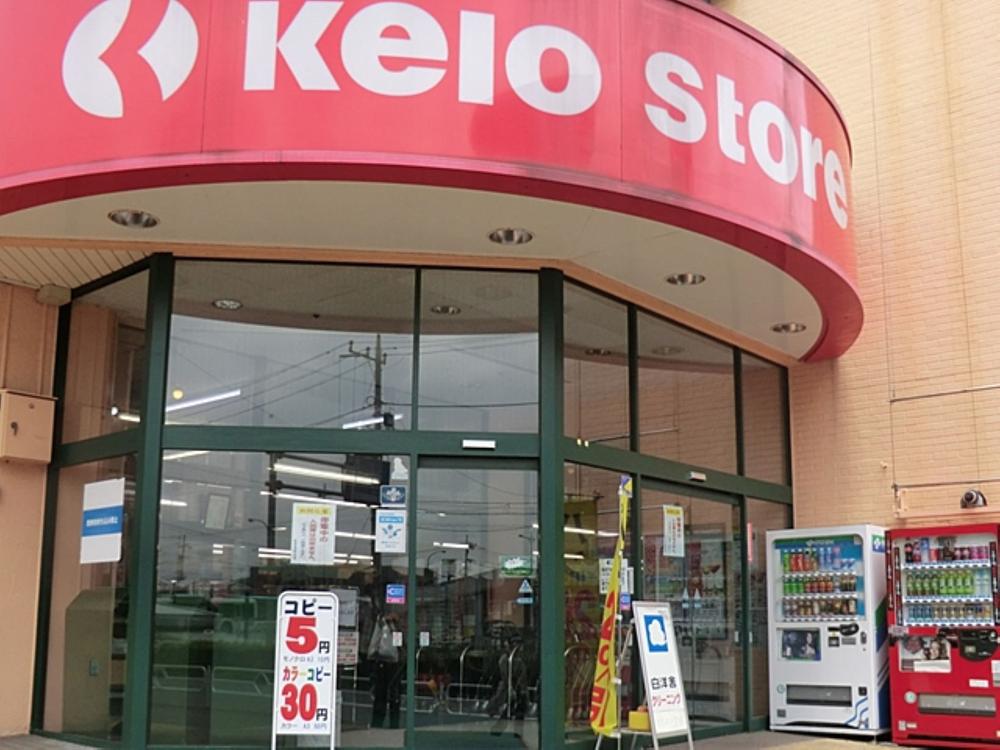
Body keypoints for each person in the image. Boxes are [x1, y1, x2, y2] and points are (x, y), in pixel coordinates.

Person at [367, 610, 402, 729]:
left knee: (393, 695)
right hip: (381, 660)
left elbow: (400, 642)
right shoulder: (380, 623)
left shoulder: (396, 626)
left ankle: (393, 723)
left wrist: (394, 625)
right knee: (380, 694)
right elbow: (374, 639)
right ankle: (377, 722)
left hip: (393, 662)